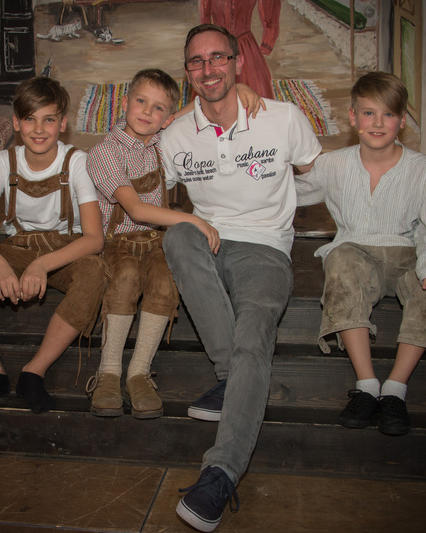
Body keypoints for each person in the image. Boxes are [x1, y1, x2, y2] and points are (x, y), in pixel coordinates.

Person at [159, 24, 321, 532]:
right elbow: (137, 171)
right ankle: (233, 377)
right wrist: (173, 116)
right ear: (188, 71)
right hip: (205, 239)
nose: (208, 69)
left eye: (218, 58)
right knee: (177, 235)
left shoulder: (283, 118)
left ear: (237, 62)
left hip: (266, 248)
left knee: (254, 336)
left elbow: (321, 175)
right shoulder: (175, 135)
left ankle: (221, 472)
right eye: (196, 61)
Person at [295, 71, 426, 437]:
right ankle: (367, 385)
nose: (378, 123)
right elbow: (288, 192)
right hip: (356, 250)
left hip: (406, 252)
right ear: (353, 117)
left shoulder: (425, 171)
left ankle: (395, 389)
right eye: (369, 113)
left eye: (388, 114)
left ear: (401, 121)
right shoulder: (334, 164)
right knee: (341, 262)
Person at [0, 77, 108, 414]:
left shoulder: (76, 162)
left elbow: (94, 239)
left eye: (49, 119)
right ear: (15, 123)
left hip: (62, 253)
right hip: (16, 249)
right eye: (30, 119)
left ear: (63, 124)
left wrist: (42, 265)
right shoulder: (5, 161)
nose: (39, 129)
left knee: (95, 270)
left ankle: (34, 371)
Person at [85, 68, 220, 419]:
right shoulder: (104, 152)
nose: (147, 112)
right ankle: (109, 372)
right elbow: (134, 209)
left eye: (158, 108)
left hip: (155, 240)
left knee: (165, 278)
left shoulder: (160, 142)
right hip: (118, 241)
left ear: (166, 118)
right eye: (141, 101)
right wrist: (194, 219)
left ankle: (139, 372)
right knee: (127, 275)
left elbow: (191, 109)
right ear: (125, 103)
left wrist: (242, 89)